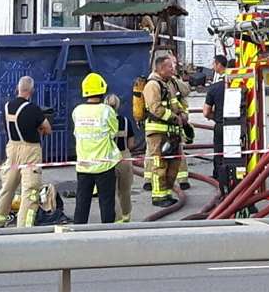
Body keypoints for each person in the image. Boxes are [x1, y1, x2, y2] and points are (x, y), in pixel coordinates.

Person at [0, 75, 51, 227]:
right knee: (30, 190)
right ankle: (24, 226)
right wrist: (39, 128)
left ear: (17, 88)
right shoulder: (33, 109)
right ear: (31, 91)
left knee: (8, 187)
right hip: (30, 151)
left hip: (12, 149)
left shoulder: (6, 107)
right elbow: (48, 128)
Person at [71, 72, 120, 225]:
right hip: (104, 165)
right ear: (102, 90)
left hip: (84, 165)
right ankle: (106, 234)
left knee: (82, 203)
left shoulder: (77, 111)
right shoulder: (107, 111)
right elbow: (114, 132)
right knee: (106, 203)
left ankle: (78, 232)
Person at [141, 51, 188, 206]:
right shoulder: (152, 85)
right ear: (161, 68)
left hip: (170, 132)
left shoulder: (167, 84)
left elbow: (175, 102)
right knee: (159, 165)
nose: (172, 70)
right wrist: (175, 118)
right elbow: (155, 108)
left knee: (172, 164)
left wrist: (182, 113)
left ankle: (167, 193)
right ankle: (158, 196)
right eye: (169, 67)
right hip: (158, 132)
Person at [203, 54, 232, 193]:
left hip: (220, 125)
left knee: (219, 154)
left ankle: (219, 179)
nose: (213, 67)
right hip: (238, 126)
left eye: (213, 64)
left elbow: (206, 112)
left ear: (219, 64)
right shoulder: (239, 83)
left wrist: (216, 118)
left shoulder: (214, 88)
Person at [105, 92, 134, 223]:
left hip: (109, 158)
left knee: (111, 190)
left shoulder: (104, 122)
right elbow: (131, 144)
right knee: (125, 190)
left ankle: (117, 218)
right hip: (124, 157)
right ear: (118, 105)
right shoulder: (126, 121)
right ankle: (126, 215)